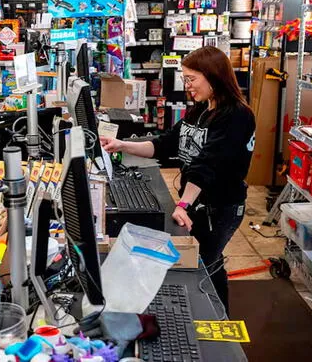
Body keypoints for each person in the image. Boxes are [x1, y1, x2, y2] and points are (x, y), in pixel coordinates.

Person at [100, 46, 255, 314]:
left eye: (192, 79)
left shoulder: (237, 116)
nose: (188, 86)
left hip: (220, 208)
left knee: (201, 266)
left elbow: (208, 165)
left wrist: (183, 205)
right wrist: (122, 145)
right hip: (197, 204)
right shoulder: (200, 110)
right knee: (208, 263)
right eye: (185, 79)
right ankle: (219, 318)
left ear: (213, 76)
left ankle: (214, 328)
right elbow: (164, 145)